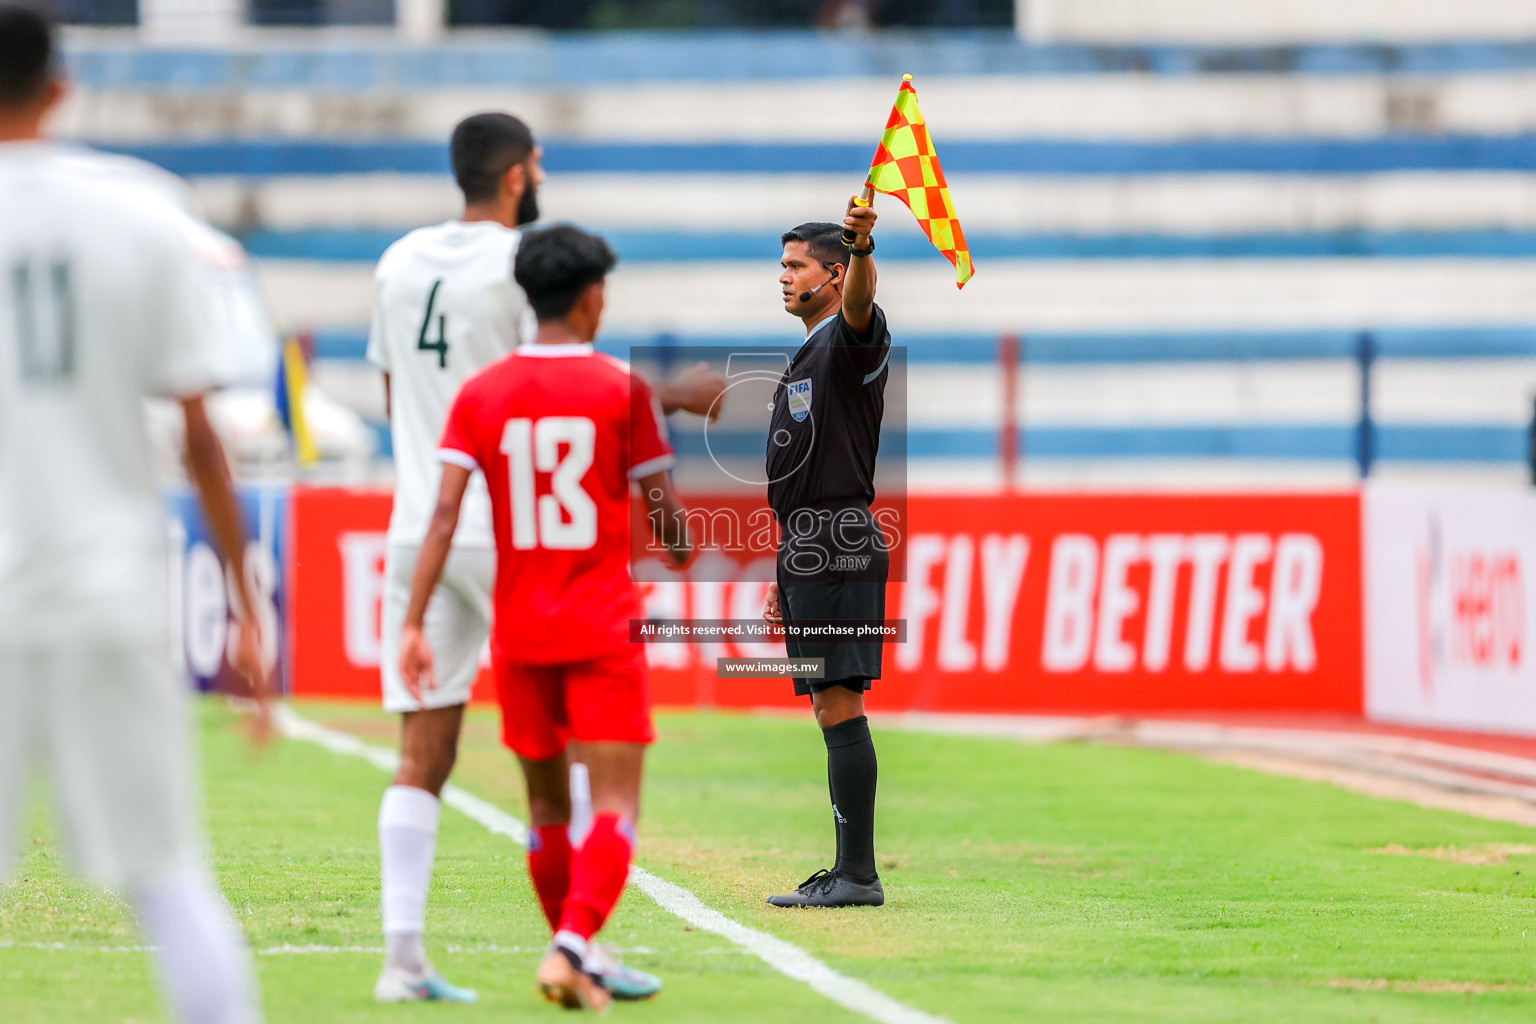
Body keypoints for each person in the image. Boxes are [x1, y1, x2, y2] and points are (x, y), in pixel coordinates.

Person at [367, 113, 721, 1002]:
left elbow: (389, 392)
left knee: (422, 756)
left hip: (423, 521)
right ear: (519, 176)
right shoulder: (528, 263)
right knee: (580, 759)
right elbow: (575, 388)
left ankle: (403, 959)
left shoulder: (398, 262)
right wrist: (666, 404)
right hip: (520, 538)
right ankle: (576, 941)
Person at [0, 6, 270, 1023]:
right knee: (165, 873)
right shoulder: (148, 208)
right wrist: (246, 605)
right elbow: (200, 434)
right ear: (61, 85)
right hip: (110, 584)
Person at [762, 199, 889, 908]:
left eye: (796, 266)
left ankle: (857, 876)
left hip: (836, 539)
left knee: (838, 703)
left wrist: (864, 248)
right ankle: (850, 870)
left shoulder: (848, 339)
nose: (782, 277)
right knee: (826, 706)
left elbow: (865, 309)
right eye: (781, 265)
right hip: (811, 546)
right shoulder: (809, 352)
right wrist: (787, 565)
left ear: (833, 275)